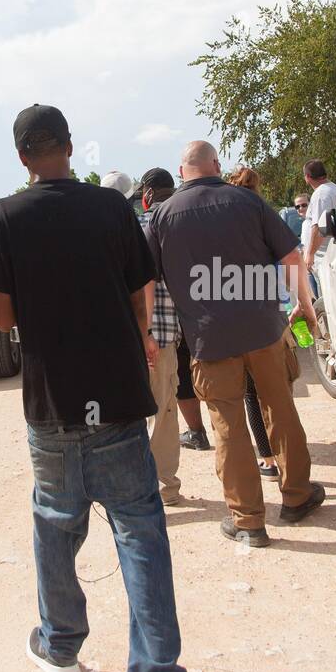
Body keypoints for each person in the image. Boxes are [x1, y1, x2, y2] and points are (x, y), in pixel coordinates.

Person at [0, 105, 191, 672]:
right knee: (141, 534)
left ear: (22, 159)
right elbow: (139, 295)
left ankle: (62, 646)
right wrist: (137, 341)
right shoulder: (112, 208)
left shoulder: (4, 216)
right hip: (118, 399)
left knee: (55, 526)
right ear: (71, 147)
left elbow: (4, 315)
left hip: (51, 404)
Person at [149, 140, 325, 548]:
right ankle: (297, 496)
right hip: (264, 327)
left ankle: (247, 521)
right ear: (215, 164)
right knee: (279, 408)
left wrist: (148, 332)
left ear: (181, 170)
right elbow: (291, 257)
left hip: (209, 337)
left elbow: (148, 280)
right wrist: (304, 305)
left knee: (227, 423)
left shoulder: (162, 216)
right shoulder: (247, 202)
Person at [227, 165, 284, 481]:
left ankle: (268, 459)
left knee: (250, 393)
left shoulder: (222, 220)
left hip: (233, 313)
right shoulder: (264, 213)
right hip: (267, 311)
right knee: (277, 390)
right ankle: (287, 459)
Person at [139, 167, 188, 506]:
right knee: (165, 414)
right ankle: (167, 487)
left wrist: (144, 331)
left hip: (141, 336)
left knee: (136, 416)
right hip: (169, 336)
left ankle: (138, 488)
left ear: (147, 195)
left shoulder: (141, 228)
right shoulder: (186, 226)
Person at [301, 160, 336, 293]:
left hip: (323, 256)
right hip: (332, 252)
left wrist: (310, 254)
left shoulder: (321, 194)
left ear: (307, 177)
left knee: (325, 296)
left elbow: (319, 226)